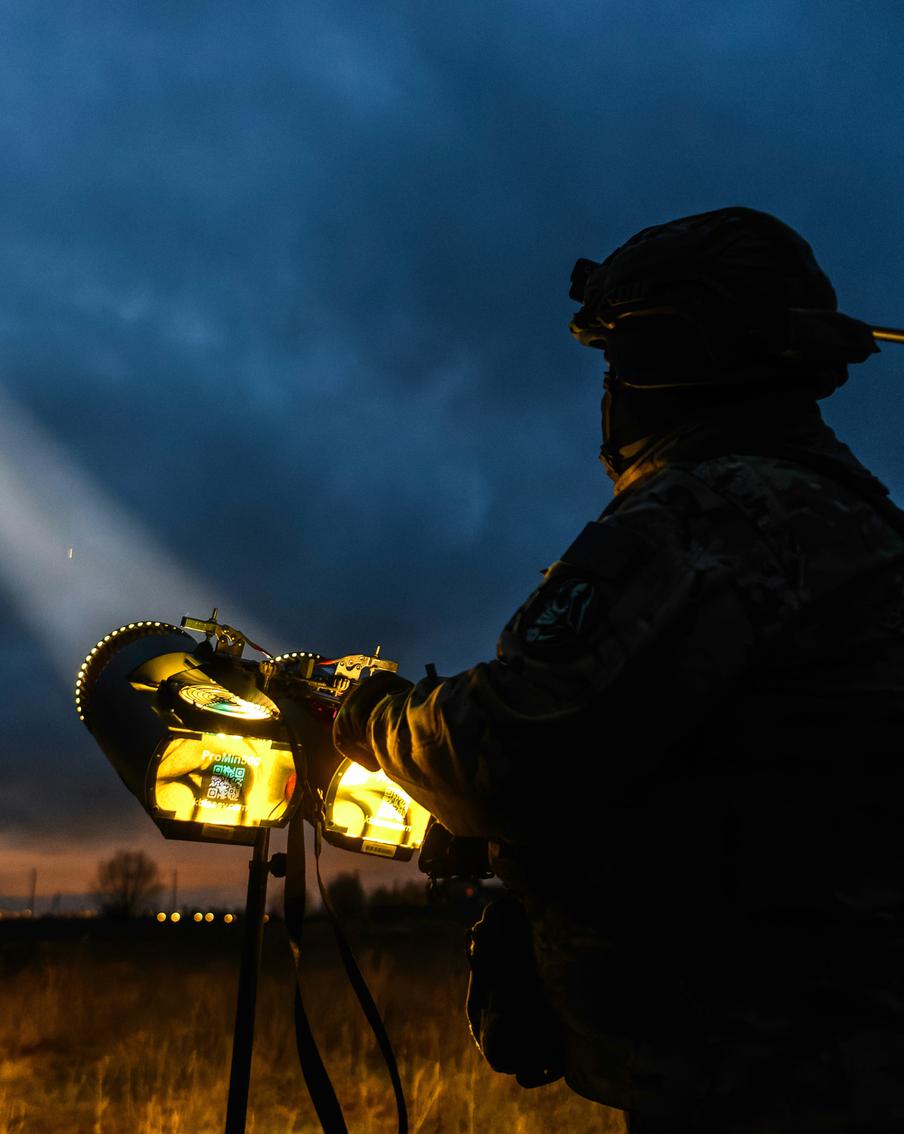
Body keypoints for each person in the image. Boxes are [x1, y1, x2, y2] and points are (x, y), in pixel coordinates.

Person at [333, 207, 904, 1132]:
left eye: (614, 362)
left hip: (775, 1079)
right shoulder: (841, 515)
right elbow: (728, 774)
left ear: (666, 356)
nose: (607, 394)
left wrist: (368, 715)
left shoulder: (711, 515)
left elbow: (502, 747)